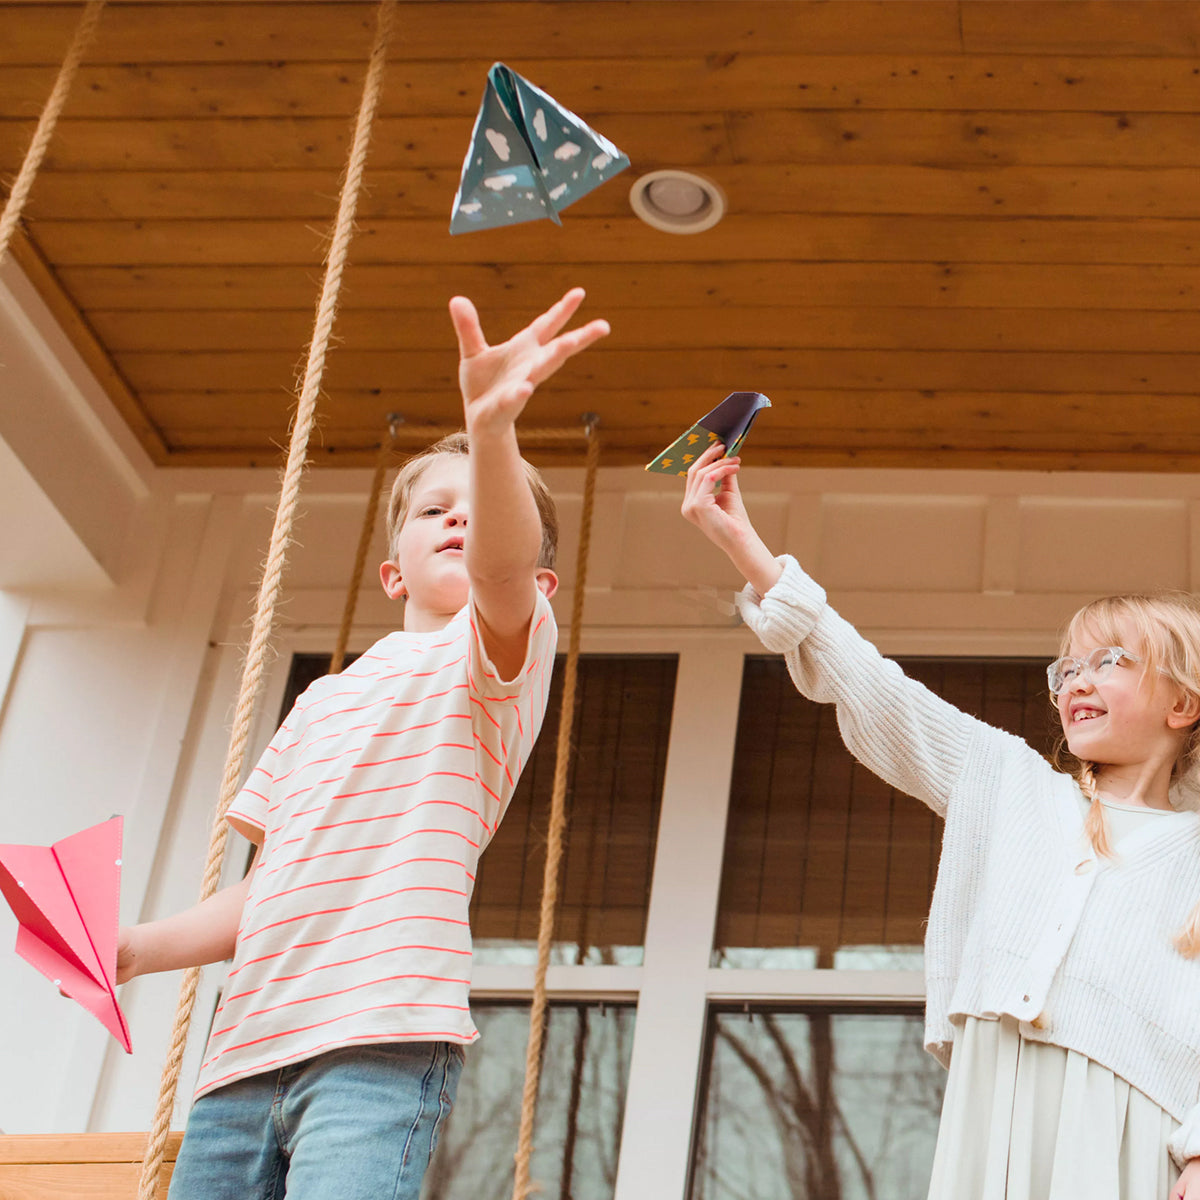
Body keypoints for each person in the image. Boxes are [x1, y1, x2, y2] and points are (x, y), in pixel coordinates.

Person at [116, 288, 609, 1200]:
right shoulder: (323, 703)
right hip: (242, 1054)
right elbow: (268, 893)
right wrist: (139, 949)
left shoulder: (492, 659)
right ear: (392, 572)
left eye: (480, 508)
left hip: (376, 1041)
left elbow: (498, 569)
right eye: (432, 511)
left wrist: (490, 430)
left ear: (539, 580)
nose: (457, 519)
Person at [681, 440, 1200, 1200]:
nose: (1076, 682)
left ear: (1182, 704)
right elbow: (876, 690)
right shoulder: (1010, 785)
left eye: (1110, 661)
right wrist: (746, 548)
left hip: (1131, 1126)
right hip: (992, 1114)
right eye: (1066, 669)